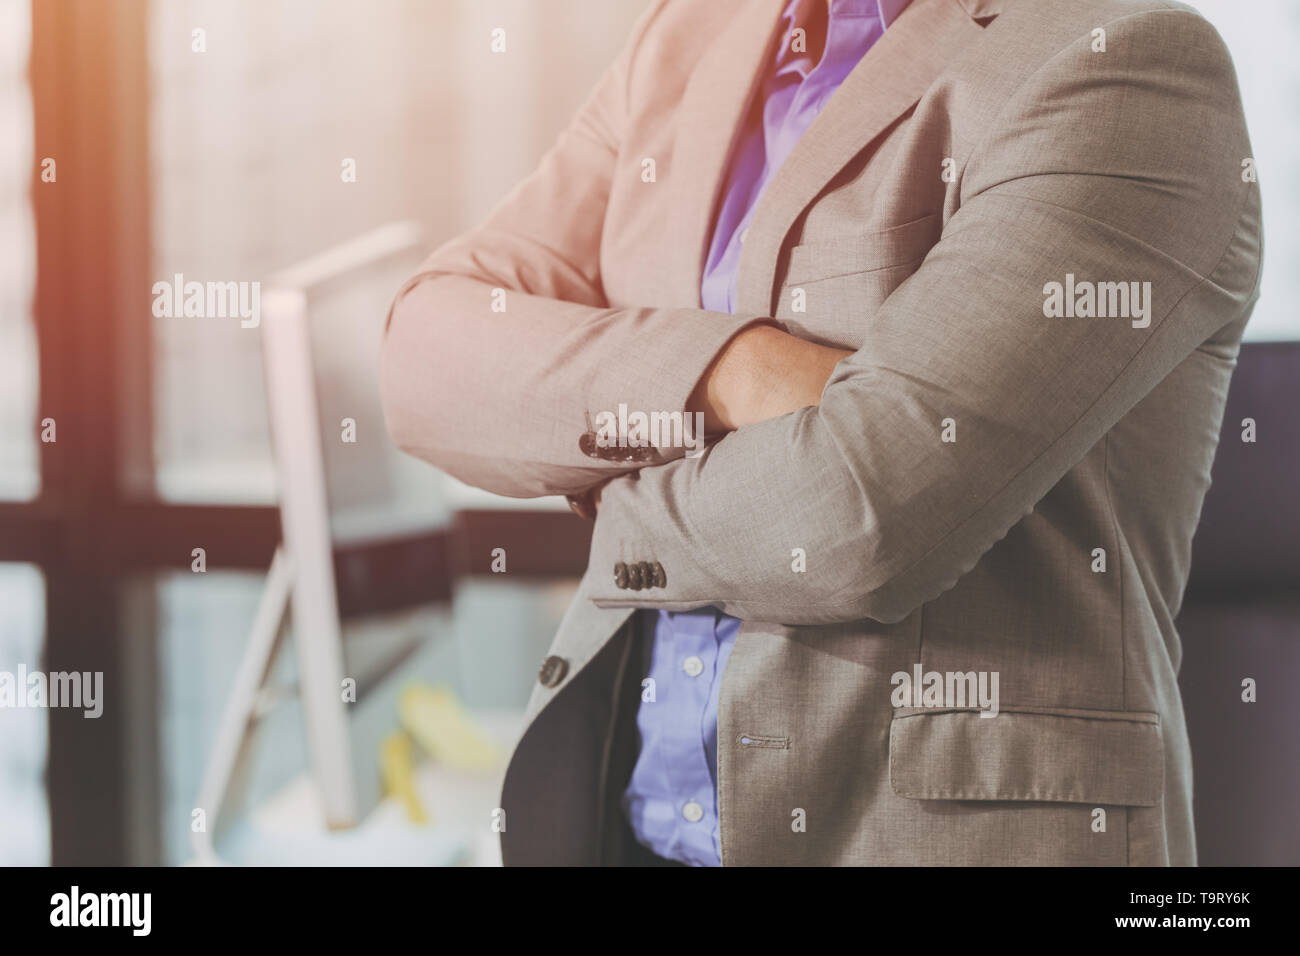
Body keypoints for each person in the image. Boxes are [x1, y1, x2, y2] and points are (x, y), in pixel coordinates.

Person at [381, 0, 1262, 866]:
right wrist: (732, 368)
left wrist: (582, 466)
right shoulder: (687, 35)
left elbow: (858, 516)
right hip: (631, 827)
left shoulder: (1125, 63)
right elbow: (425, 358)